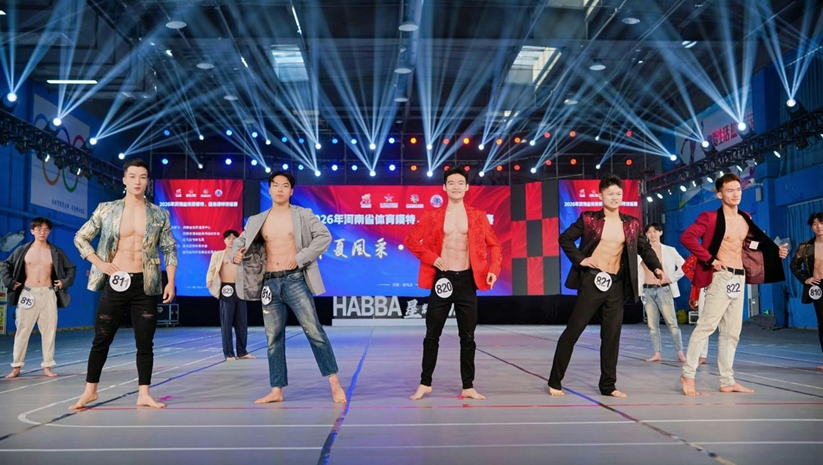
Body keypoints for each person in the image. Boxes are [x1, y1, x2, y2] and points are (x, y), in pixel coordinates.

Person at [70, 158, 177, 409]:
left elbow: (169, 249)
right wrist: (99, 263)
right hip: (116, 280)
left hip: (146, 283)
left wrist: (170, 281)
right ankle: (90, 391)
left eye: (143, 177)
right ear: (124, 180)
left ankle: (144, 394)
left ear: (147, 181)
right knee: (102, 337)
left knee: (145, 342)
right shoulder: (106, 209)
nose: (137, 181)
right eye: (133, 176)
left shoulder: (159, 214)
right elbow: (80, 237)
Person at [232, 171, 345, 404]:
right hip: (269, 283)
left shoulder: (303, 214)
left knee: (314, 332)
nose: (280, 189)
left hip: (295, 280)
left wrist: (301, 257)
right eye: (275, 185)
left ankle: (334, 383)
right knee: (273, 338)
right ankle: (277, 389)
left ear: (291, 191)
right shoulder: (257, 220)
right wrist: (236, 252)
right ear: (270, 189)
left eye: (285, 185)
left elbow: (324, 236)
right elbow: (240, 241)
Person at [549, 174, 665, 398]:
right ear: (601, 195)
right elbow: (565, 238)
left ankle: (608, 386)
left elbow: (644, 248)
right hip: (593, 280)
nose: (615, 197)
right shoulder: (589, 219)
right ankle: (555, 381)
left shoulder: (631, 224)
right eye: (610, 193)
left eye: (618, 194)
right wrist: (581, 259)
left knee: (612, 336)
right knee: (574, 330)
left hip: (616, 284)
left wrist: (656, 267)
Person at [680, 173, 788, 396]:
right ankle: (688, 374)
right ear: (720, 194)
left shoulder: (745, 217)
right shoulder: (710, 217)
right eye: (730, 190)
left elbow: (752, 245)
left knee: (732, 333)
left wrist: (774, 252)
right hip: (721, 276)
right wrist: (710, 259)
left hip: (740, 278)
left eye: (738, 189)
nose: (735, 194)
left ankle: (727, 380)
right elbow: (687, 237)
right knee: (706, 326)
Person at [405, 167, 502, 401]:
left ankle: (468, 386)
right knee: (432, 333)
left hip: (467, 280)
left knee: (468, 336)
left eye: (460, 183)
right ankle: (425, 383)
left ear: (467, 187)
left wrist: (493, 270)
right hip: (443, 278)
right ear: (444, 187)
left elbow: (495, 245)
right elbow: (411, 240)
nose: (456, 186)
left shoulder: (478, 216)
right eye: (451, 183)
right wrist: (431, 257)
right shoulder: (432, 215)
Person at [1, 217, 75, 378]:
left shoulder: (55, 251)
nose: (42, 232)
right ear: (32, 231)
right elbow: (6, 266)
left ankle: (47, 366)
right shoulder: (23, 250)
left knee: (49, 331)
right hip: (28, 293)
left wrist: (64, 282)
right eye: (39, 229)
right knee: (22, 330)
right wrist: (10, 283)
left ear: (49, 232)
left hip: (48, 293)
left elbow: (71, 268)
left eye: (46, 230)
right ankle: (16, 366)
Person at [638, 222, 686, 362]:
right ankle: (657, 353)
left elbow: (684, 266)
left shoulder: (669, 250)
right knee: (652, 325)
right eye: (649, 232)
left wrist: (671, 279)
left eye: (655, 231)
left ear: (660, 233)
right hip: (647, 289)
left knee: (672, 323)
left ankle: (680, 352)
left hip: (663, 289)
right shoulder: (641, 252)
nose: (652, 234)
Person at [207, 229, 253, 361]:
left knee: (242, 322)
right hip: (226, 289)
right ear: (224, 240)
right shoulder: (218, 255)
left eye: (234, 238)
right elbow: (211, 270)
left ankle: (242, 352)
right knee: (227, 322)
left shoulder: (242, 254)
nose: (231, 240)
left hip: (240, 288)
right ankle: (229, 353)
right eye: (228, 238)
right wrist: (209, 280)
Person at [789, 212, 823, 370]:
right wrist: (806, 279)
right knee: (822, 322)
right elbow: (794, 265)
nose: (819, 226)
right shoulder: (805, 247)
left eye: (821, 223)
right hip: (817, 286)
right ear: (811, 227)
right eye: (815, 224)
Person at [682, 255, 710, 364]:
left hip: (720, 287)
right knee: (703, 323)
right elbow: (686, 267)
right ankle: (702, 355)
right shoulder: (698, 254)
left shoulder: (722, 252)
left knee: (723, 323)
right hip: (704, 289)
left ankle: (725, 358)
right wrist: (697, 278)